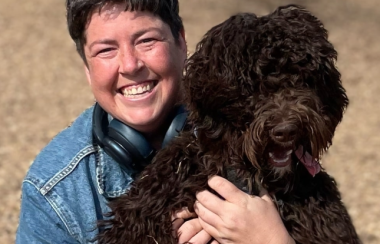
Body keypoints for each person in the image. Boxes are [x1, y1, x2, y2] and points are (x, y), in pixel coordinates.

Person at [16, 0, 295, 243]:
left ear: (181, 42)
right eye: (106, 50)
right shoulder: (54, 189)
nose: (129, 65)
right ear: (87, 70)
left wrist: (272, 239)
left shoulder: (261, 130)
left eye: (146, 40)